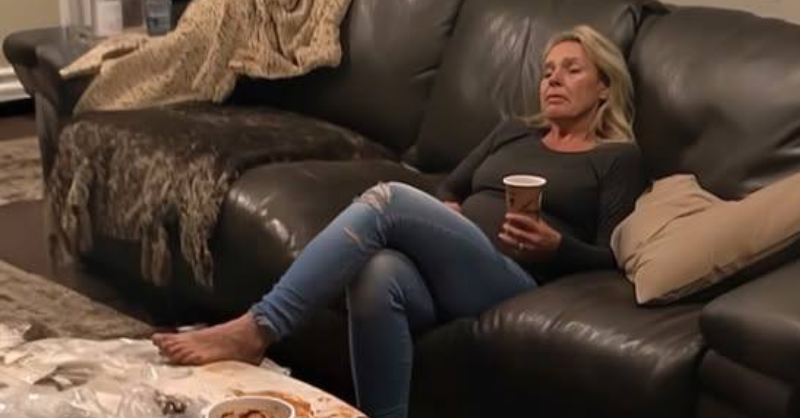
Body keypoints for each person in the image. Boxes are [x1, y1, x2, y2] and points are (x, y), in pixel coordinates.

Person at [152, 25, 648, 418]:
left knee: (387, 198)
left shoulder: (616, 159)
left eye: (572, 70)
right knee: (377, 272)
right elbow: (451, 186)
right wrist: (449, 208)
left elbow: (613, 254)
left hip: (511, 278)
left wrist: (555, 246)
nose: (553, 80)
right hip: (452, 258)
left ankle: (259, 327)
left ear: (604, 87)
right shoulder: (514, 132)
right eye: (547, 71)